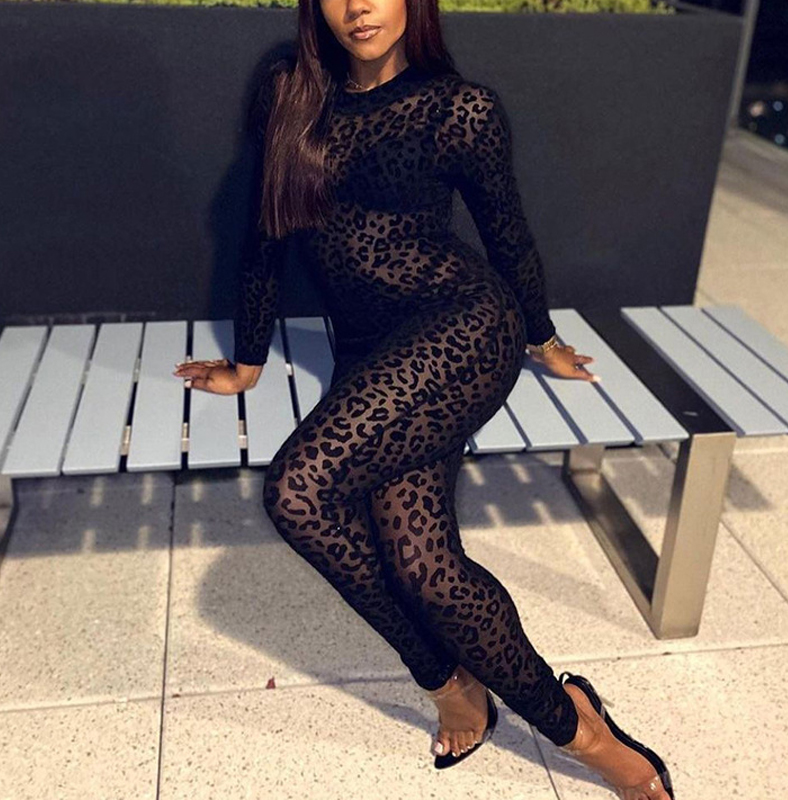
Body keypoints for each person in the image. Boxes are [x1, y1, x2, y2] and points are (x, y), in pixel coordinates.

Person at [173, 1, 674, 797]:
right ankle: (459, 685)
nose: (358, 7)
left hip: (464, 325)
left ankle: (576, 734)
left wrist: (542, 339)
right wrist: (249, 362)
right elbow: (263, 237)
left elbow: (508, 235)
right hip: (371, 354)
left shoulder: (459, 109)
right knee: (422, 565)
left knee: (298, 492)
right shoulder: (290, 92)